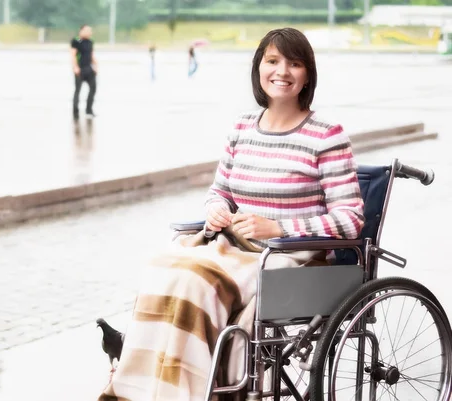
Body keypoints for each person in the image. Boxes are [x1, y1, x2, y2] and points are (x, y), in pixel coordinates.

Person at [97, 27, 365, 401]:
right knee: (161, 264)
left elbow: (351, 218)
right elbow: (218, 191)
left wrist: (279, 226)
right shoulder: (242, 128)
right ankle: (144, 388)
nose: (282, 72)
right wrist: (217, 210)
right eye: (272, 61)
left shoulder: (326, 135)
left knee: (196, 279)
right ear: (259, 68)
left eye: (294, 63)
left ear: (307, 74)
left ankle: (187, 392)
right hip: (234, 244)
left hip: (291, 256)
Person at [71, 25, 98, 120]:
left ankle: (89, 110)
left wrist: (95, 65)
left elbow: (91, 54)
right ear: (81, 31)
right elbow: (73, 54)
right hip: (80, 69)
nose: (89, 32)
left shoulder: (90, 41)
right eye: (87, 30)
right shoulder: (77, 40)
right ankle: (75, 112)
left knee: (93, 89)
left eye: (90, 31)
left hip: (89, 69)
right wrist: (75, 67)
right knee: (78, 90)